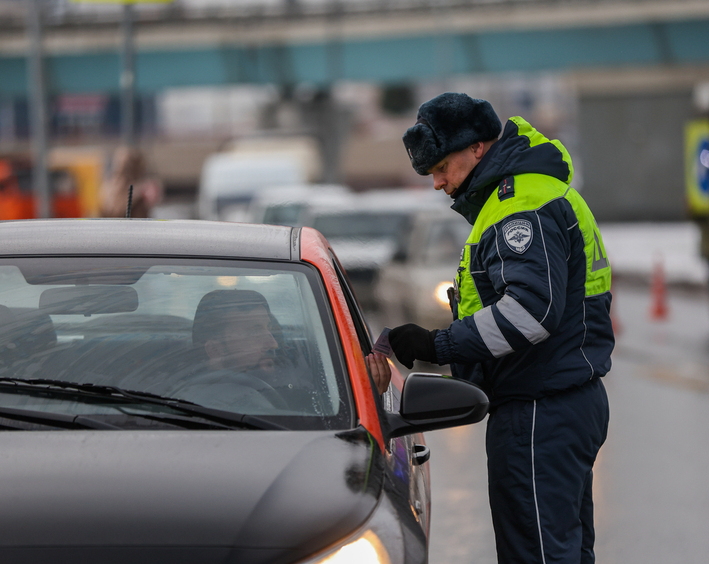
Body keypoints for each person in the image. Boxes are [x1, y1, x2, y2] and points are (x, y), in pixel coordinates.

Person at [389, 93, 613, 564]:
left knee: (538, 555)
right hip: (558, 401)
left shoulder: (520, 206)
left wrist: (437, 343)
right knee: (562, 552)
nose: (438, 182)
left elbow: (530, 313)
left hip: (539, 409)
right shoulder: (521, 195)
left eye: (442, 167)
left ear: (477, 147)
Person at [176, 290, 391, 411]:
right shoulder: (217, 404)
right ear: (215, 350)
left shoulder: (297, 377)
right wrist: (368, 404)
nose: (273, 344)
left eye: (269, 328)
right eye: (253, 332)